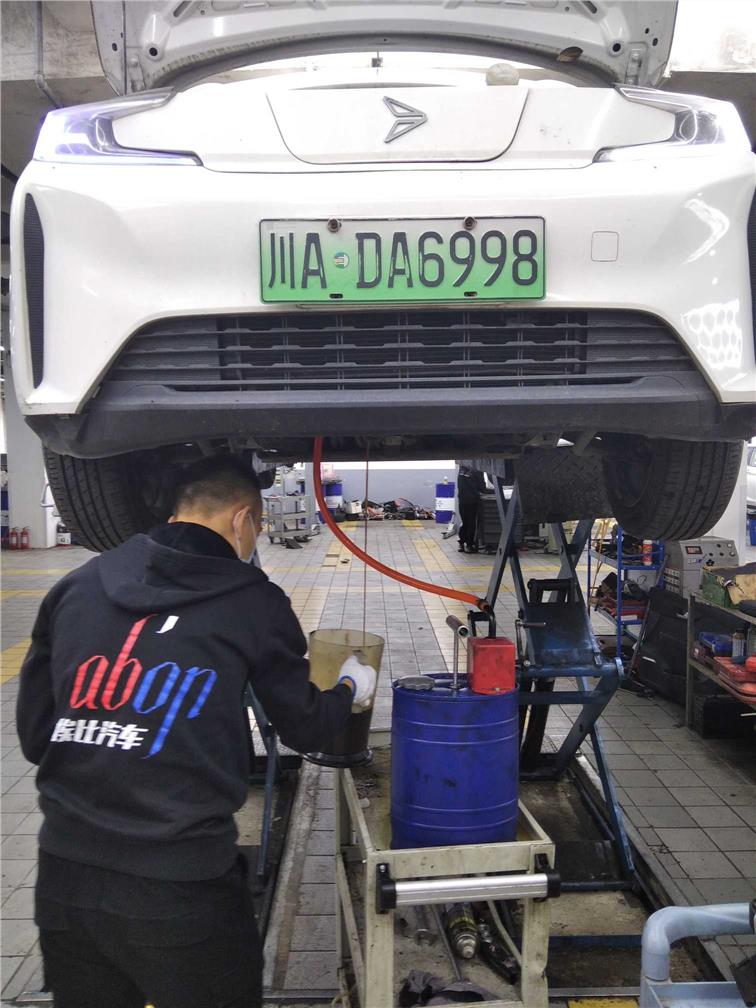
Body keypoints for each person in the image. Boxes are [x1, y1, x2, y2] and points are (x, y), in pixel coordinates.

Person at [16, 455, 375, 1008]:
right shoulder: (253, 601)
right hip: (181, 887)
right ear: (242, 519)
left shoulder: (77, 585)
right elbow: (308, 730)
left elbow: (36, 736)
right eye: (258, 526)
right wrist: (350, 688)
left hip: (65, 881)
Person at [457, 465, 486, 553]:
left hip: (462, 500)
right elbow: (482, 487)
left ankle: (461, 543)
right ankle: (469, 545)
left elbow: (460, 485)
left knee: (464, 522)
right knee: (471, 523)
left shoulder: (461, 471)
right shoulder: (478, 470)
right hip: (472, 501)